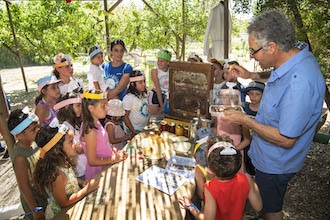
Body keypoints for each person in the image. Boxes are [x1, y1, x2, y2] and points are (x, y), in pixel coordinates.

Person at [222, 11, 325, 220]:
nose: (251, 56)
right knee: (266, 201)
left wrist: (245, 120)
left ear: (272, 47)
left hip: (276, 163)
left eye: (253, 51)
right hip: (267, 156)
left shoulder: (300, 83)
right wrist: (251, 75)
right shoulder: (296, 55)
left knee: (272, 209)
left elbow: (286, 139)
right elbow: (278, 73)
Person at [179, 137, 262, 220]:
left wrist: (191, 206)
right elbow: (258, 206)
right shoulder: (246, 178)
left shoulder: (211, 187)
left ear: (210, 164)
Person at [32, 119, 99, 220]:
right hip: (61, 214)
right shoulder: (56, 175)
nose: (75, 143)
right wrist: (86, 190)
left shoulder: (64, 162)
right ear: (57, 150)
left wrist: (81, 182)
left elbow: (70, 178)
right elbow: (64, 202)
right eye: (71, 141)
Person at [8, 107, 48, 220]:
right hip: (35, 201)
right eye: (33, 129)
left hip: (45, 195)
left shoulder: (34, 142)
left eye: (37, 127)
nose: (38, 130)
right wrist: (35, 209)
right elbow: (24, 186)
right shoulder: (20, 157)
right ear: (19, 135)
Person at [80, 90, 128, 179]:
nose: (107, 109)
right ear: (91, 108)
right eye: (103, 106)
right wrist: (114, 159)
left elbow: (104, 143)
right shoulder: (90, 131)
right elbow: (92, 161)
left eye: (107, 105)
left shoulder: (97, 123)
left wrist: (115, 151)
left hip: (106, 165)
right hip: (98, 172)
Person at [55, 92, 87, 180]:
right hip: (80, 170)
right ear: (67, 107)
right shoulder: (66, 128)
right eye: (78, 105)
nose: (81, 108)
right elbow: (79, 149)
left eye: (81, 105)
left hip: (84, 166)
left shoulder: (74, 124)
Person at [242, 81, 265, 176]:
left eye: (257, 94)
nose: (253, 97)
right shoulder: (243, 108)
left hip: (260, 144)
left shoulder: (266, 111)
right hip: (245, 142)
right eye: (251, 93)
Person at [148, 49, 171, 115]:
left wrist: (164, 104)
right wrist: (162, 106)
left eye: (162, 61)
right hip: (156, 94)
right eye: (158, 60)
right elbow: (158, 88)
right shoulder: (155, 71)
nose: (159, 63)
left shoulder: (171, 71)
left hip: (166, 95)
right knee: (155, 117)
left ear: (168, 62)